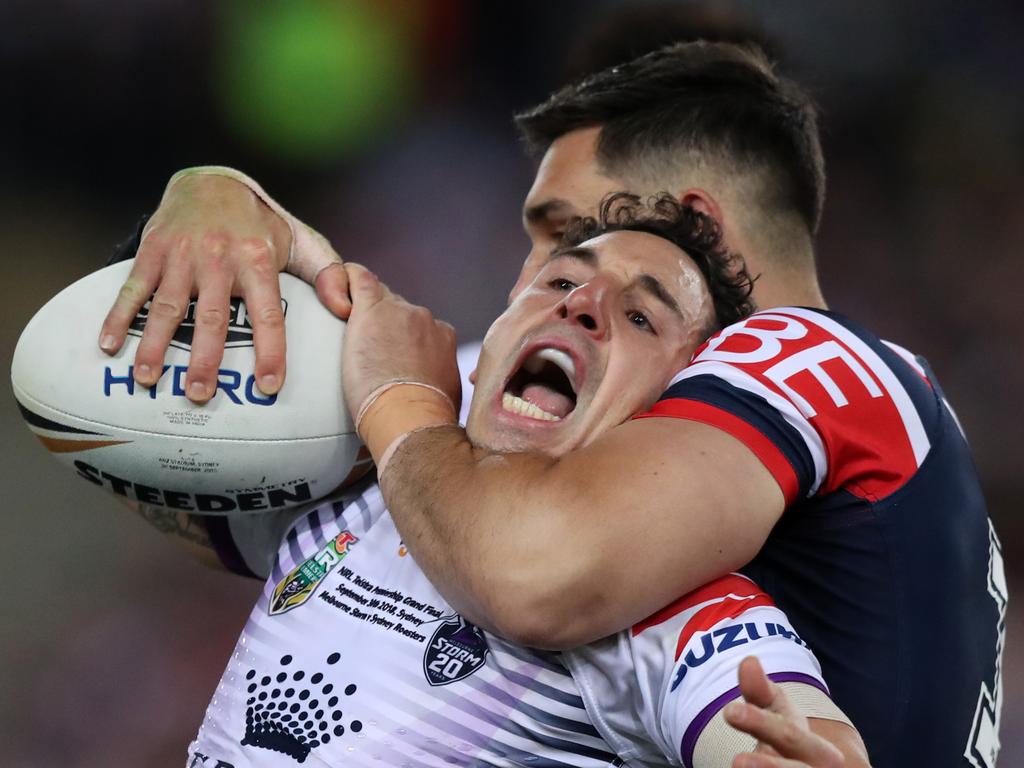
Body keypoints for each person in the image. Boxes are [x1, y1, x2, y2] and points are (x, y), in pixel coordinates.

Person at [98, 44, 1003, 767]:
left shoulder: (810, 367)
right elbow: (162, 465)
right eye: (559, 261)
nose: (543, 280)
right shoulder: (443, 475)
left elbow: (550, 581)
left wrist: (400, 396)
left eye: (562, 228)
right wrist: (202, 205)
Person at [185, 196, 867, 768]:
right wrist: (209, 193)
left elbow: (781, 723)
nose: (583, 306)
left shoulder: (654, 601)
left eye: (640, 317)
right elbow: (151, 472)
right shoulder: (350, 479)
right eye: (562, 282)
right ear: (496, 338)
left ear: (666, 417)